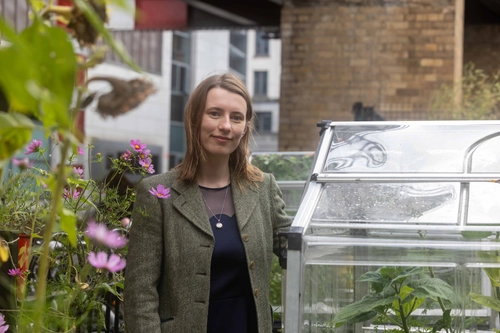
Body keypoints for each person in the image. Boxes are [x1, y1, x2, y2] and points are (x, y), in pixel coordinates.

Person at [123, 73, 292, 333]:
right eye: (215, 113)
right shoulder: (157, 193)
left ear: (245, 126)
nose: (226, 125)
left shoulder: (262, 187)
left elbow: (294, 247)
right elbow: (139, 293)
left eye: (236, 117)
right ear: (194, 119)